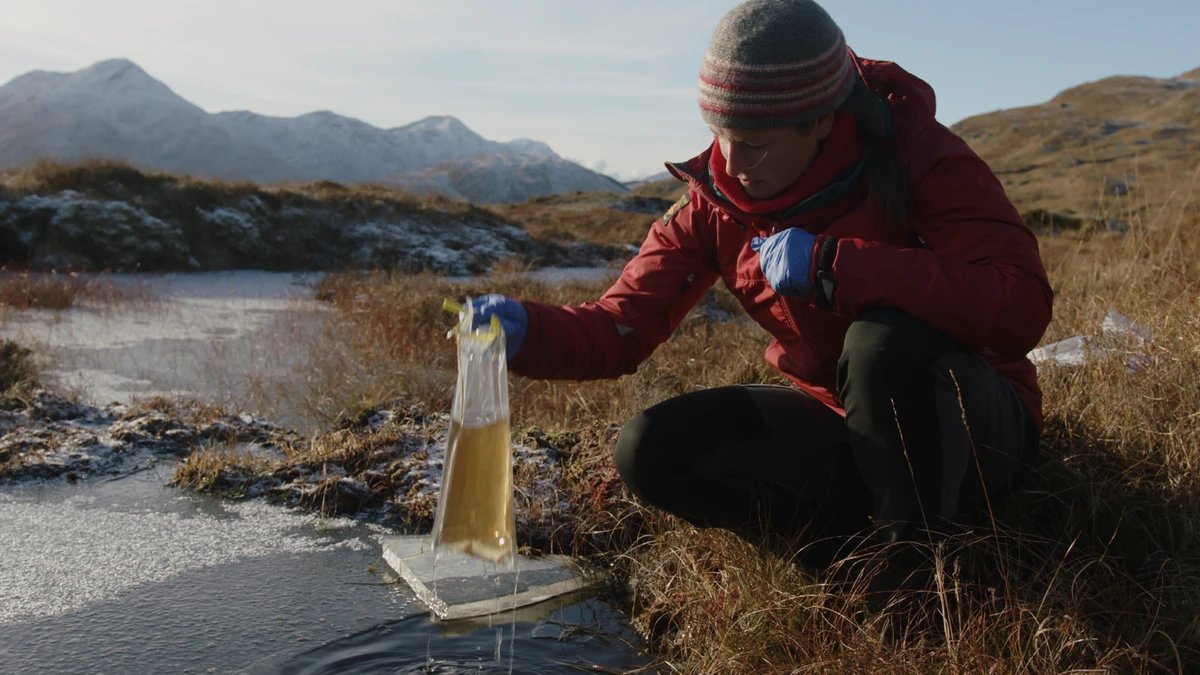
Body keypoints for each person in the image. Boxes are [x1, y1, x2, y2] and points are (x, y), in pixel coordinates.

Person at [470, 0, 1052, 588]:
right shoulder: (714, 202)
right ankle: (847, 566)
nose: (730, 161)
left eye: (754, 142)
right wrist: (526, 330)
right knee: (650, 449)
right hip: (847, 425)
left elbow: (1019, 303)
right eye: (719, 135)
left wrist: (835, 266)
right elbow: (618, 330)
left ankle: (916, 585)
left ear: (822, 120)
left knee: (882, 346)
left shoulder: (920, 157)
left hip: (975, 430)